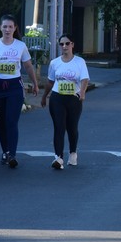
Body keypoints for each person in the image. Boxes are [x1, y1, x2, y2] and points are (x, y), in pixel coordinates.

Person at [0, 15, 40, 168]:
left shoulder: (20, 46)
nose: (7, 30)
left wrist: (35, 83)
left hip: (15, 87)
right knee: (2, 121)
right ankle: (5, 151)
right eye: (5, 27)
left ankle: (12, 155)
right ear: (0, 28)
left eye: (10, 27)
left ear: (15, 28)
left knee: (11, 121)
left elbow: (28, 66)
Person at [41, 34, 90, 170]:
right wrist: (44, 96)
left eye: (67, 43)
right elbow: (50, 81)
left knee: (72, 127)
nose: (64, 47)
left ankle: (73, 153)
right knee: (59, 127)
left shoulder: (79, 62)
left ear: (72, 45)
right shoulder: (55, 63)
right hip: (57, 98)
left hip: (74, 98)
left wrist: (83, 92)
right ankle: (58, 157)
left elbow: (85, 79)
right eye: (61, 44)